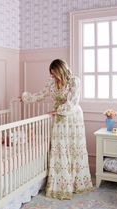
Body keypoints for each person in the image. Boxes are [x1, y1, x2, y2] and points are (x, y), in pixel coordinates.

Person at [21, 59, 93, 200]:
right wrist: (25, 98)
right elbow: (40, 95)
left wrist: (57, 110)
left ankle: (76, 182)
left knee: (73, 147)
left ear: (61, 70)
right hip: (59, 118)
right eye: (52, 74)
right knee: (60, 148)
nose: (53, 77)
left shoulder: (74, 81)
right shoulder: (52, 82)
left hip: (72, 117)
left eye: (54, 74)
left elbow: (73, 101)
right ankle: (62, 184)